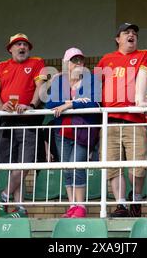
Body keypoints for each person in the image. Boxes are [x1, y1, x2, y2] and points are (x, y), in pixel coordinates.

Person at [96, 22, 147, 217]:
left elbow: (143, 77)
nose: (132, 35)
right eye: (126, 32)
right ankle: (121, 204)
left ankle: (135, 199)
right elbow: (94, 86)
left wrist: (140, 100)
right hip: (109, 119)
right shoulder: (106, 60)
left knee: (138, 165)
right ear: (117, 38)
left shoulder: (143, 54)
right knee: (113, 166)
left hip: (134, 119)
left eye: (134, 33)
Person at [0, 32, 46, 218]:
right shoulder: (0, 66)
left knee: (25, 163)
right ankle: (20, 207)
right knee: (13, 164)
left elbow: (41, 87)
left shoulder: (37, 62)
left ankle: (4, 195)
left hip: (28, 119)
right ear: (10, 49)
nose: (22, 47)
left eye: (25, 45)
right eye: (18, 44)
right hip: (7, 120)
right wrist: (1, 106)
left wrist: (30, 105)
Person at [46, 47, 100, 218]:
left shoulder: (92, 80)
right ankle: (72, 206)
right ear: (66, 64)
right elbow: (50, 104)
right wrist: (75, 101)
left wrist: (69, 105)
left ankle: (81, 207)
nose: (78, 63)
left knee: (77, 165)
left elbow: (94, 103)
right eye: (73, 60)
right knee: (67, 169)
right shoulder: (58, 81)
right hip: (62, 131)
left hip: (83, 131)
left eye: (80, 60)